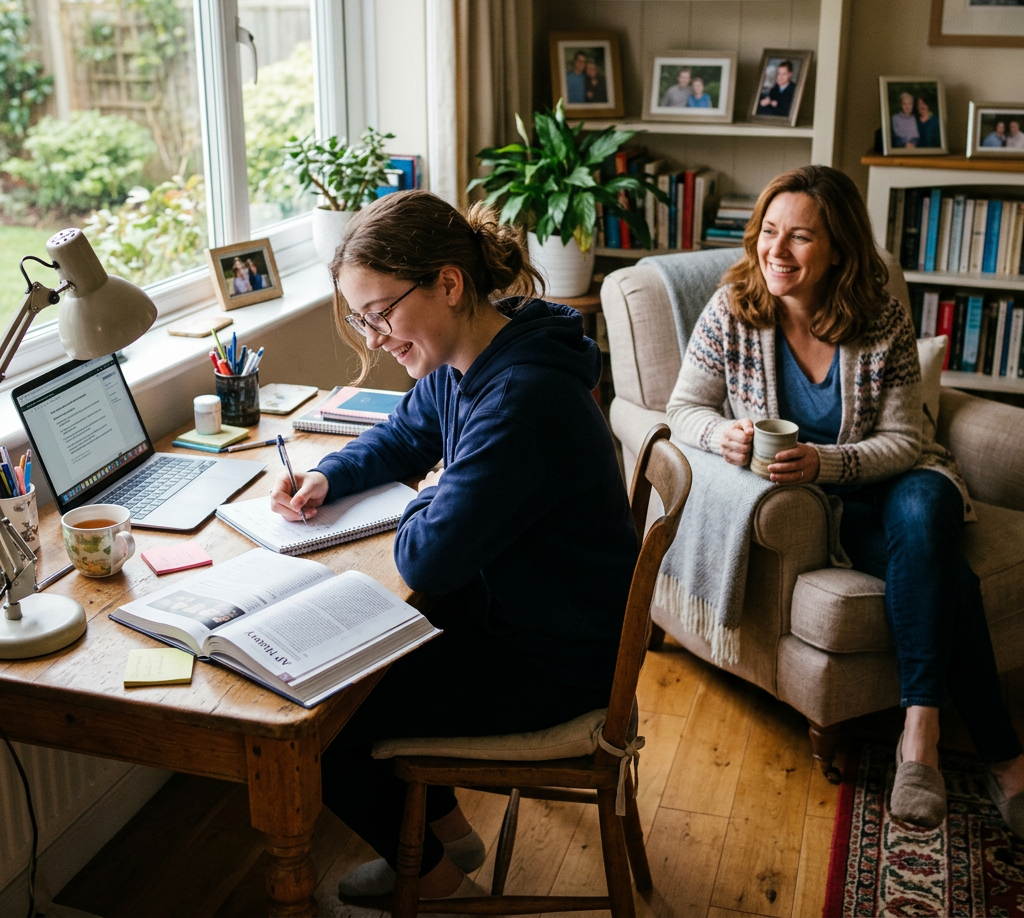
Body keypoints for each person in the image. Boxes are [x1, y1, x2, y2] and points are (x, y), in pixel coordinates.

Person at [270, 190, 638, 900]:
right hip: (527, 616)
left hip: (559, 660)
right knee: (374, 661)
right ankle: (451, 840)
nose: (373, 336)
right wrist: (326, 474)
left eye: (382, 313)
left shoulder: (521, 398)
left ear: (448, 283)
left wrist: (432, 492)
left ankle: (438, 889)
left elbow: (428, 556)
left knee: (330, 725)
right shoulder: (468, 356)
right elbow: (406, 435)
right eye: (360, 317)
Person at [666, 164, 1024, 834]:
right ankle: (1006, 760)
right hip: (833, 510)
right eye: (769, 231)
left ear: (838, 249)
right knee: (944, 576)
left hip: (900, 479)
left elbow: (906, 440)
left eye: (799, 237)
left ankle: (919, 734)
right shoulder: (732, 309)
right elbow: (683, 407)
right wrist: (724, 435)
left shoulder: (879, 317)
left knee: (922, 516)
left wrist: (824, 463)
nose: (776, 250)